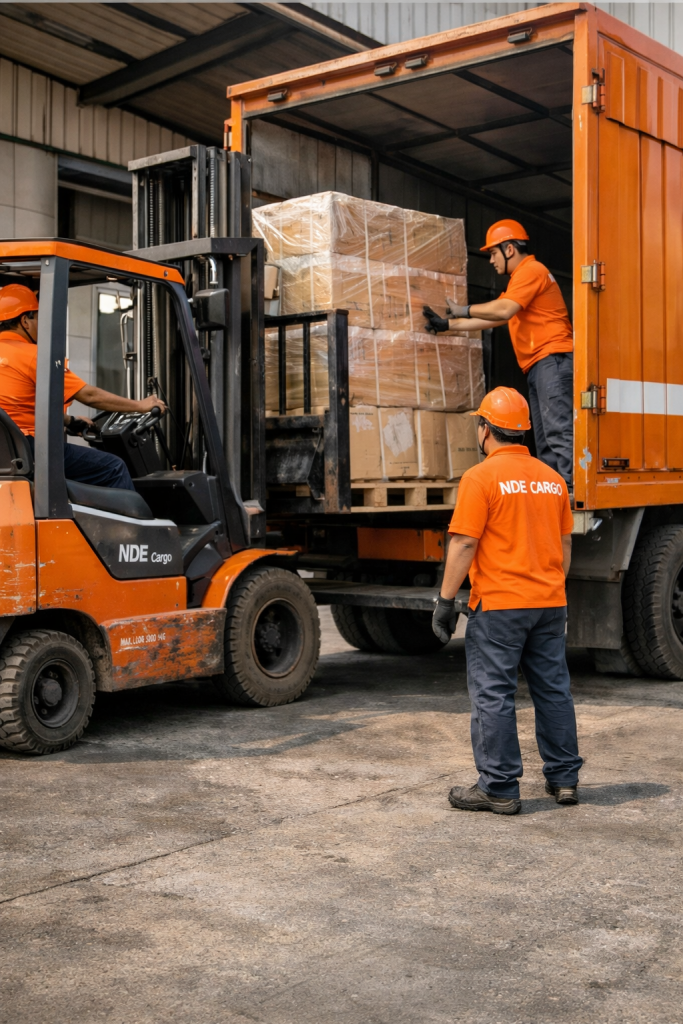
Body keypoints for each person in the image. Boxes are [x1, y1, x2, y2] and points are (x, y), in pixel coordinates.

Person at [432, 386, 582, 816]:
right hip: (549, 602)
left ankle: (498, 787)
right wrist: (546, 587)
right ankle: (564, 779)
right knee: (553, 690)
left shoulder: (480, 478)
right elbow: (564, 545)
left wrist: (445, 601)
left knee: (493, 694)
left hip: (500, 605)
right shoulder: (552, 480)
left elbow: (464, 543)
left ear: (485, 429)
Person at [423, 219, 574, 492]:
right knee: (543, 437)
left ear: (510, 249)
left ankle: (570, 491)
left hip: (552, 360)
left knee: (556, 432)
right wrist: (447, 325)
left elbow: (503, 310)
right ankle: (557, 490)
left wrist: (464, 309)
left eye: (493, 253)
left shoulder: (532, 270)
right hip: (541, 364)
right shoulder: (520, 281)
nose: (491, 260)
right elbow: (496, 317)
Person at [0, 284, 165, 491]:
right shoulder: (33, 355)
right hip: (29, 450)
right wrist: (141, 406)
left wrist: (70, 421)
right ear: (25, 320)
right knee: (114, 468)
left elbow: (17, 406)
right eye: (38, 318)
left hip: (7, 453)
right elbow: (89, 396)